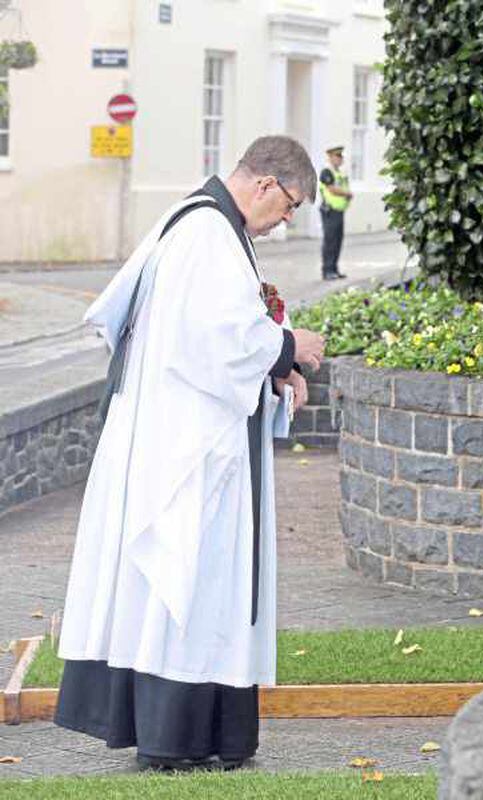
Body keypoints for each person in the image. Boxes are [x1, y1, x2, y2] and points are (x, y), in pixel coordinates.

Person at [53, 135, 327, 771]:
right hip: (186, 445)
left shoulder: (205, 226)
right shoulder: (206, 234)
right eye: (289, 207)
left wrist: (273, 365)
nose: (286, 222)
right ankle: (174, 735)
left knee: (198, 581)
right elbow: (218, 339)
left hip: (183, 431)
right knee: (190, 577)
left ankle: (196, 732)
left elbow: (213, 333)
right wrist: (289, 347)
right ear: (264, 185)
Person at [319, 145, 352, 280]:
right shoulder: (326, 172)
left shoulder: (339, 173)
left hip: (339, 211)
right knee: (330, 241)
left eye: (341, 156)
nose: (340, 159)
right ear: (331, 157)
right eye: (337, 156)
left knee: (338, 241)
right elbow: (331, 189)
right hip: (330, 211)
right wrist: (347, 193)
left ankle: (334, 269)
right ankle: (327, 270)